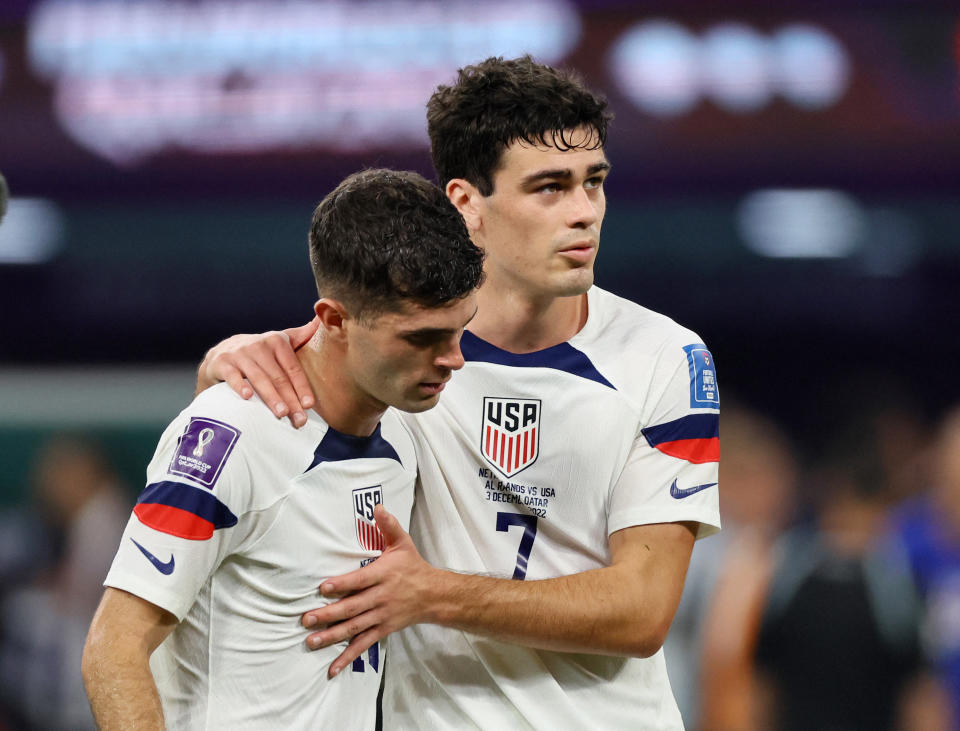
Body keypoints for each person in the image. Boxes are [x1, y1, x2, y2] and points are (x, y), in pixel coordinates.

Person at [199, 56, 721, 729]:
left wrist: (432, 594)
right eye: (549, 188)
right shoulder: (397, 349)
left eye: (594, 182)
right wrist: (224, 364)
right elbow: (254, 427)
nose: (585, 212)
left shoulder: (666, 357)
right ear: (465, 203)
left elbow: (643, 607)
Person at [81, 169, 484, 730]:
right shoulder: (231, 437)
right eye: (421, 338)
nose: (452, 358)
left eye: (460, 329)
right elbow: (114, 648)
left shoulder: (410, 434)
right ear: (334, 320)